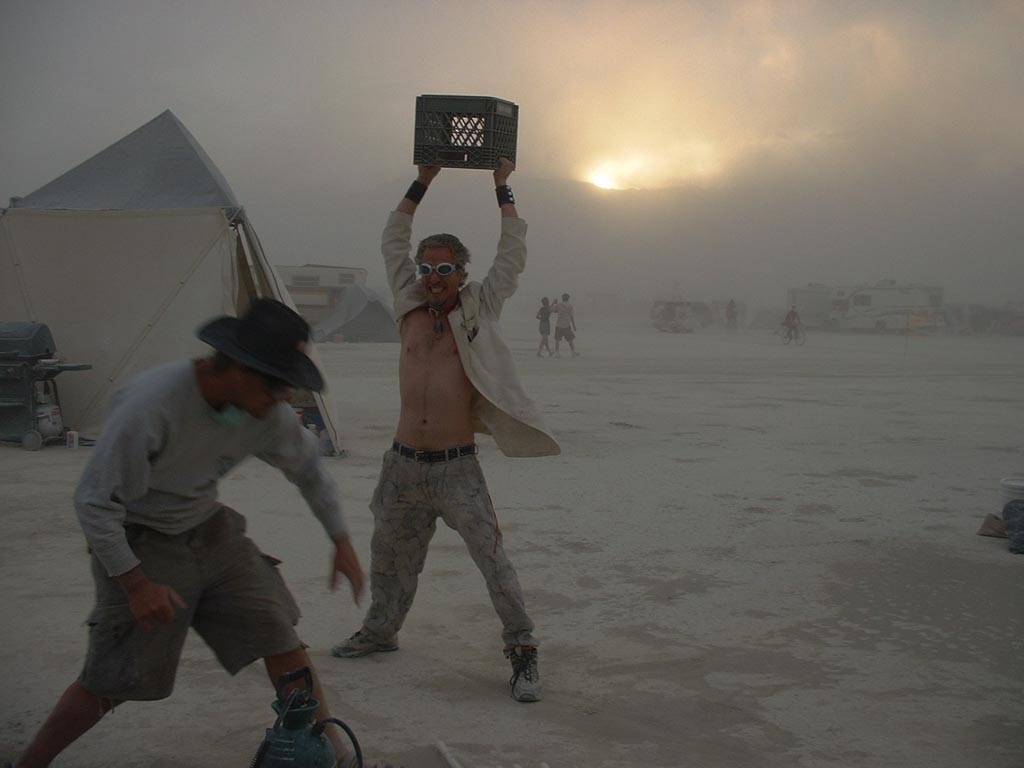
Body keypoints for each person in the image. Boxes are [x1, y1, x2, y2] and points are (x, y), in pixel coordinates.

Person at [8, 299, 377, 768]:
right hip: (139, 537)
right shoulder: (151, 404)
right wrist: (136, 584)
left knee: (279, 636)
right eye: (278, 384)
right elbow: (94, 503)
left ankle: (336, 756)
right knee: (114, 678)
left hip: (210, 529)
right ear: (240, 369)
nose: (284, 397)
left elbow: (309, 470)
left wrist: (341, 540)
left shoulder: (266, 413)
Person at [331, 160, 560, 704]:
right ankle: (381, 631)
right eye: (426, 268)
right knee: (389, 557)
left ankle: (522, 649)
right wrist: (423, 179)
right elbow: (393, 236)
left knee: (492, 560)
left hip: (457, 469)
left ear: (462, 273)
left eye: (444, 269)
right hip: (404, 466)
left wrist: (502, 188)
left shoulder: (479, 307)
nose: (433, 279)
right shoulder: (407, 307)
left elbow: (513, 254)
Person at [553, 292, 579, 356]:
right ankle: (573, 352)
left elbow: (554, 311)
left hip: (559, 325)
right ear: (568, 298)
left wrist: (555, 303)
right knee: (570, 339)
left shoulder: (558, 304)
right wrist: (574, 326)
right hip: (566, 325)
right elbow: (571, 316)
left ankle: (557, 353)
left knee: (557, 340)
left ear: (562, 298)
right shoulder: (570, 306)